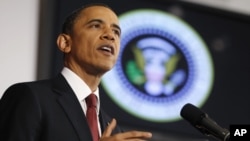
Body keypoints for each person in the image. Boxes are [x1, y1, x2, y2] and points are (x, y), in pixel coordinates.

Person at [0, 3, 152, 141]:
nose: (110, 35)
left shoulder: (112, 129)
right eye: (96, 26)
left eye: (116, 31)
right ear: (65, 43)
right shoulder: (29, 97)